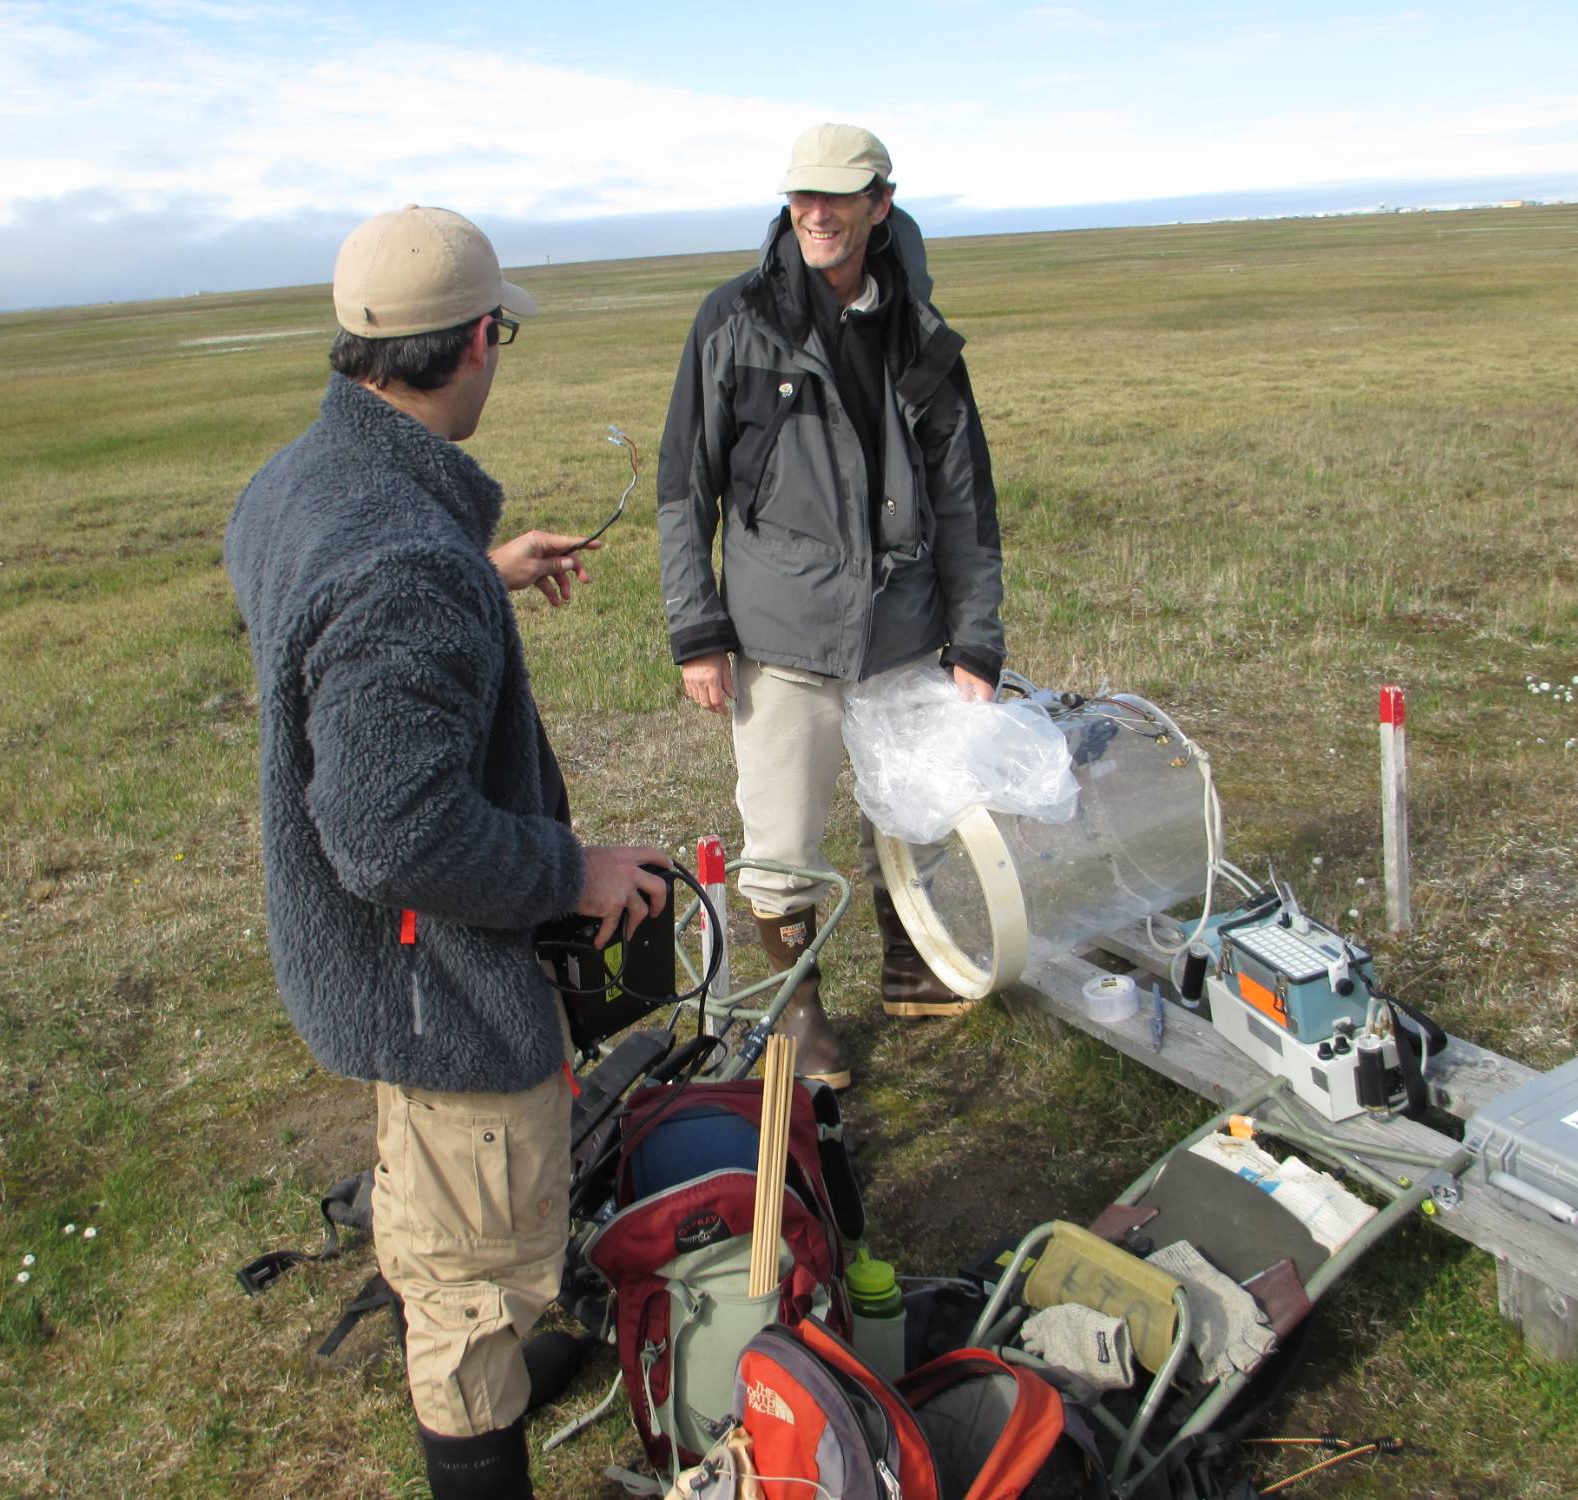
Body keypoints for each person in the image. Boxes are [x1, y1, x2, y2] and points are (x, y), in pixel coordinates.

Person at [224, 205, 667, 1499]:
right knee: (468, 1292)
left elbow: (332, 618)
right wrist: (574, 873)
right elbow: (390, 830)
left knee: (451, 1219)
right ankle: (485, 1427)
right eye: (498, 340)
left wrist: (481, 572)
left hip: (387, 973)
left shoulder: (298, 483)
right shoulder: (406, 566)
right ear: (478, 340)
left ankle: (508, 1352)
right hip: (440, 990)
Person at [656, 124, 1005, 1089]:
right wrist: (697, 630)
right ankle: (799, 1012)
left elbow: (965, 499)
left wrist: (976, 639)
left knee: (914, 811)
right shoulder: (734, 320)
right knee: (780, 841)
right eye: (801, 196)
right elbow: (685, 485)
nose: (815, 214)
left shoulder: (921, 331)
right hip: (784, 634)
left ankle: (912, 962)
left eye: (837, 198)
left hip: (906, 628)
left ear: (878, 204)